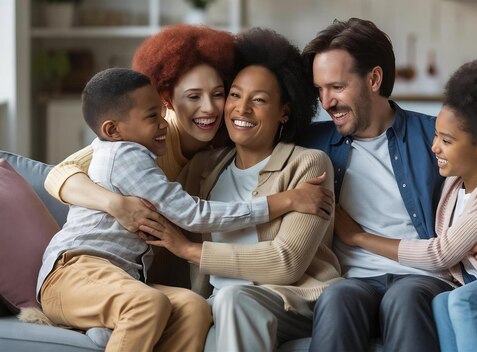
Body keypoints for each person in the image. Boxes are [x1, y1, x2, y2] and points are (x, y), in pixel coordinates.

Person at [300, 18, 477, 351]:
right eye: (319, 90)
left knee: (405, 297)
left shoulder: (440, 138)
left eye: (337, 87)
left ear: (373, 79)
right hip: (352, 279)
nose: (326, 102)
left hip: (423, 277)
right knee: (337, 297)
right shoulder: (310, 145)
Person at [37, 67, 285, 352]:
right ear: (113, 130)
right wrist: (280, 202)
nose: (164, 123)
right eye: (152, 116)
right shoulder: (126, 153)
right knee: (146, 304)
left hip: (118, 280)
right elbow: (194, 215)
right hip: (73, 274)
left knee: (193, 307)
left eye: (218, 94)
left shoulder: (189, 152)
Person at [136, 28, 342, 352]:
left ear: (284, 111)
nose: (241, 109)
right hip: (223, 302)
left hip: (293, 301)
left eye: (258, 100)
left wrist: (190, 251)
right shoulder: (204, 167)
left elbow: (286, 262)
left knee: (233, 299)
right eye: (234, 94)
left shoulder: (308, 165)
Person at [43, 25, 332, 245]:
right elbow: (59, 173)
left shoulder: (232, 136)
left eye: (219, 94)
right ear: (166, 100)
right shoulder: (145, 136)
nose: (209, 108)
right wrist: (115, 204)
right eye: (193, 97)